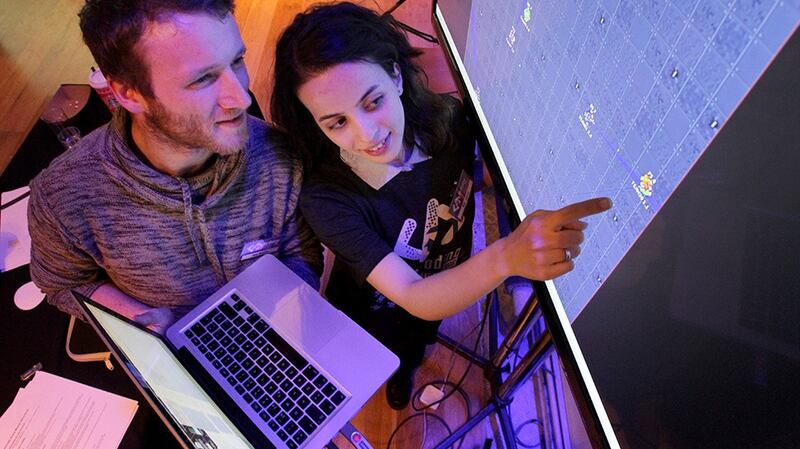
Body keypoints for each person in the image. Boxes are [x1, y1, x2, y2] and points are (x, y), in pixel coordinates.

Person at [270, 2, 612, 410]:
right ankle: (399, 376)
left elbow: (470, 178)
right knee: (391, 349)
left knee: (422, 335)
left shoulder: (447, 120)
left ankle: (409, 364)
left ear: (396, 76)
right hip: (377, 307)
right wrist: (507, 256)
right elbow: (413, 293)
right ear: (315, 124)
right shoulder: (327, 198)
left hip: (447, 272)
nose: (368, 135)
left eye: (372, 101)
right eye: (337, 122)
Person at [27, 0, 322, 334]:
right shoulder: (63, 196)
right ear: (128, 93)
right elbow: (62, 283)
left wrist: (261, 325)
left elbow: (302, 253)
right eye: (203, 79)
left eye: (237, 60)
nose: (242, 99)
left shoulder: (280, 157)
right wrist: (142, 321)